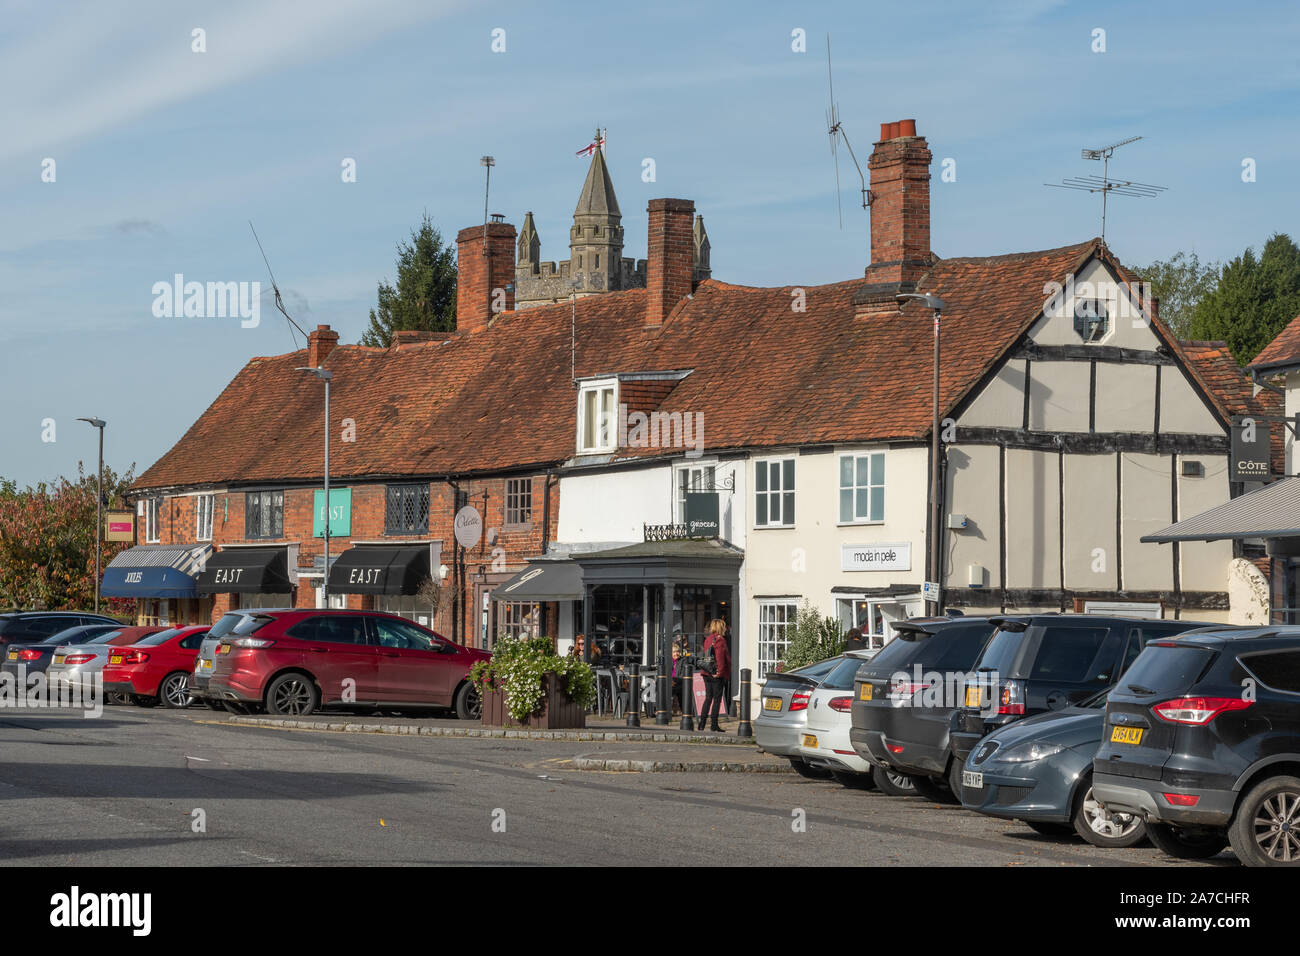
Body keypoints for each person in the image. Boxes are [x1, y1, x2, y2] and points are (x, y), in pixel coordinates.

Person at [698, 618, 731, 731]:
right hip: (716, 673)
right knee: (717, 699)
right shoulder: (720, 640)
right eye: (724, 626)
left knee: (708, 698)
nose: (726, 629)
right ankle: (714, 724)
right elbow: (720, 658)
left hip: (706, 672)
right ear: (720, 627)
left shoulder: (708, 639)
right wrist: (720, 672)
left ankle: (701, 723)